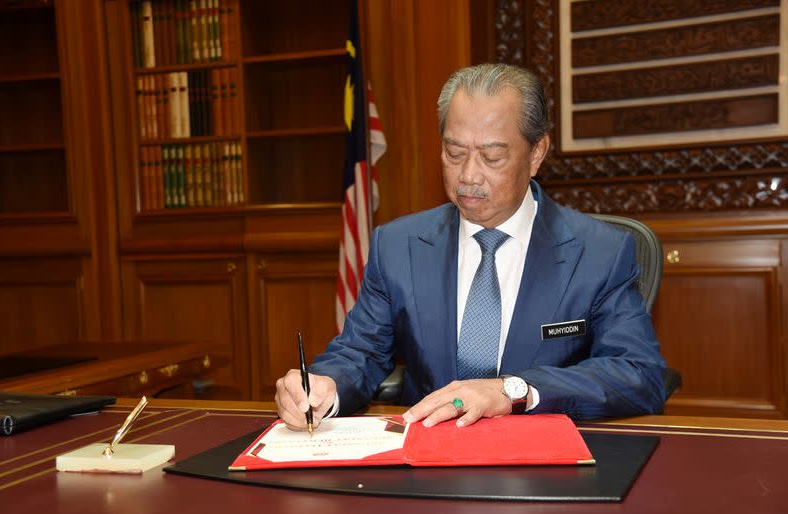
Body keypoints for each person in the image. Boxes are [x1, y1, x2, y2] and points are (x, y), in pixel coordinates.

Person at [275, 63, 666, 430]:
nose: (468, 175)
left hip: (541, 468)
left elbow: (639, 374)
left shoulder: (600, 253)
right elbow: (359, 352)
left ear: (536, 153)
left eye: (492, 156)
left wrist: (512, 390)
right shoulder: (397, 246)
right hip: (427, 464)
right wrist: (324, 385)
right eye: (454, 153)